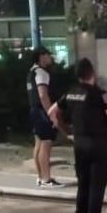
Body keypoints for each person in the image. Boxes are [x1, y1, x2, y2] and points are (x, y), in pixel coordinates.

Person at [48, 58, 107, 213]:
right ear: (92, 73)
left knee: (83, 185)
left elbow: (52, 112)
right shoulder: (100, 94)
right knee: (97, 187)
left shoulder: (71, 93)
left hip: (79, 145)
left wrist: (67, 132)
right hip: (98, 145)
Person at [27, 46, 62, 187]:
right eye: (48, 55)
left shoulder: (31, 72)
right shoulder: (42, 73)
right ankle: (47, 179)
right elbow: (43, 95)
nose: (50, 58)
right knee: (46, 143)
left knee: (39, 143)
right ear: (41, 57)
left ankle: (40, 177)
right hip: (42, 112)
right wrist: (51, 113)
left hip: (34, 110)